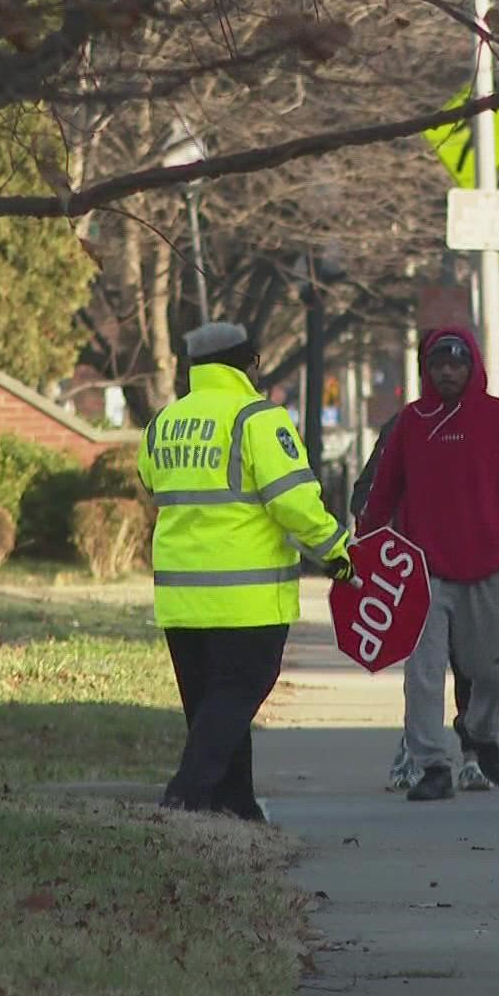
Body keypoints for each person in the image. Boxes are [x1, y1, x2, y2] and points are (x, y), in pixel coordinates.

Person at [138, 322, 354, 821]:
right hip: (245, 597)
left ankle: (236, 806)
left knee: (209, 706)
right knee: (238, 692)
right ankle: (186, 794)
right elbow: (294, 503)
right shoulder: (258, 419)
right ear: (247, 363)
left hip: (180, 598)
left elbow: (150, 481)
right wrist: (337, 550)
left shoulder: (164, 421)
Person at [356, 327, 499, 802]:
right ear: (427, 369)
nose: (448, 372)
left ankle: (478, 731)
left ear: (473, 366)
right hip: (424, 571)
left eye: (457, 364)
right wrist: (367, 552)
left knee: (492, 673)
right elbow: (382, 492)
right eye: (439, 364)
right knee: (425, 674)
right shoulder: (411, 423)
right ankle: (431, 765)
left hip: (494, 564)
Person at [352, 410, 483, 792]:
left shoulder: (488, 424)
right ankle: (417, 751)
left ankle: (474, 756)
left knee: (472, 666)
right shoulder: (403, 426)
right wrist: (386, 544)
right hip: (419, 568)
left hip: (475, 565)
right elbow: (366, 494)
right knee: (424, 669)